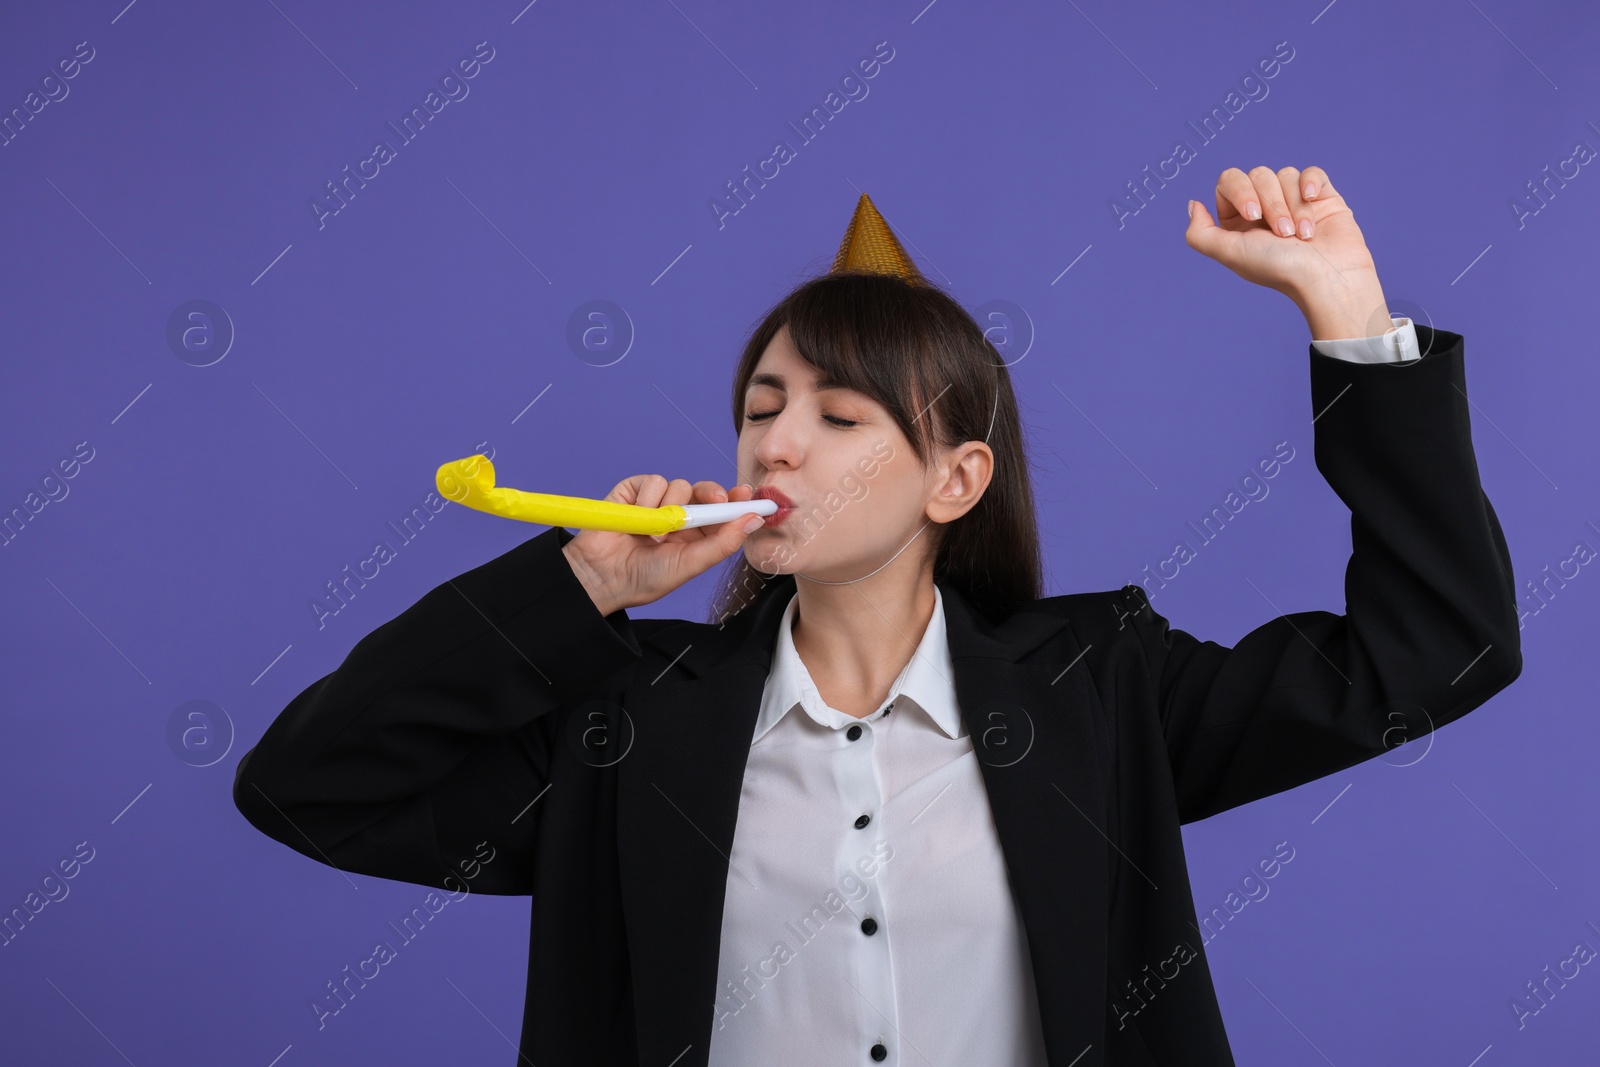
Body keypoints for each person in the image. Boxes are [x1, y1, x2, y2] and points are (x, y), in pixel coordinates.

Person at [234, 176, 1522, 1066]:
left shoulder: (1100, 690)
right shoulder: (626, 727)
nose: (778, 440)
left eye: (841, 417)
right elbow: (309, 788)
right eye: (761, 405)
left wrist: (1349, 319)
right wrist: (575, 593)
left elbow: (1437, 650)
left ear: (953, 481)